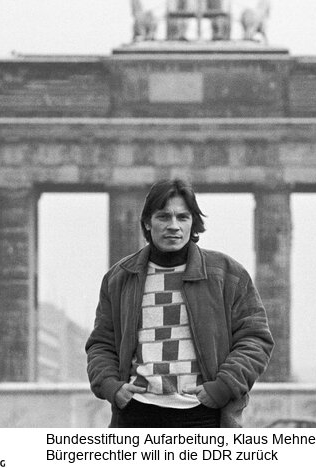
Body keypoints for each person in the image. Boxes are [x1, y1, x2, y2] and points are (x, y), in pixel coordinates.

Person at [86, 179, 273, 428]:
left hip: (204, 414)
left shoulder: (227, 274)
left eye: (182, 217)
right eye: (164, 217)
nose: (173, 226)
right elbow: (101, 343)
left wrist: (223, 387)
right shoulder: (119, 278)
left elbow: (256, 339)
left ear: (193, 223)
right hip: (137, 413)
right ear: (147, 223)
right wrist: (111, 386)